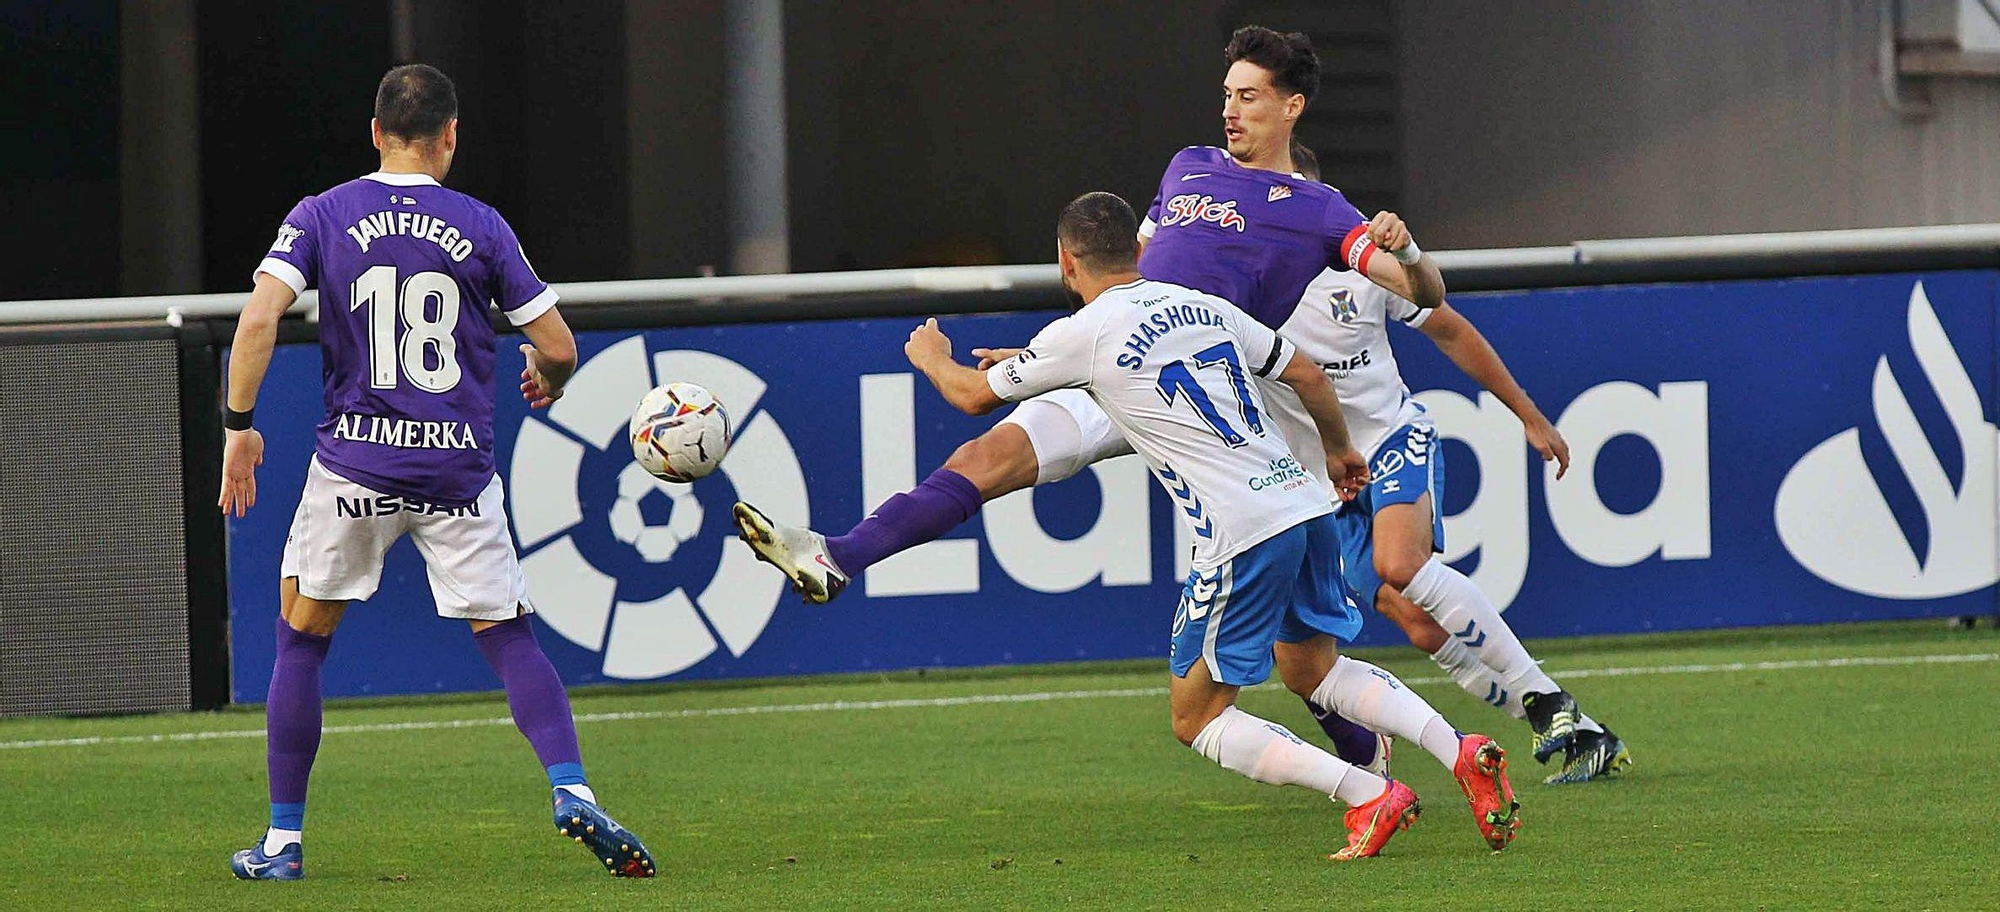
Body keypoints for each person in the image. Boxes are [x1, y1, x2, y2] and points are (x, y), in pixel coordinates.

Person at [886, 190, 1515, 858]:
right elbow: (1304, 372)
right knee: (1314, 673)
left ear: (1066, 263)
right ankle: (1462, 749)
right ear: (1138, 249)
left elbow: (971, 397)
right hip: (1303, 504)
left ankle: (1369, 796)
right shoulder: (1201, 305)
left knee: (1198, 719)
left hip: (1240, 532)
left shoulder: (1082, 330)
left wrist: (930, 355)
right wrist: (1337, 451)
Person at [218, 64, 653, 880]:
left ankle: (282, 842)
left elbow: (259, 318)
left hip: (354, 463)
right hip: (457, 470)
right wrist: (548, 381)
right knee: (508, 633)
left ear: (375, 132)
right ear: (450, 135)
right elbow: (558, 345)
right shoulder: (482, 226)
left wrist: (239, 429)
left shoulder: (321, 214)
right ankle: (573, 787)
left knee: (301, 639)